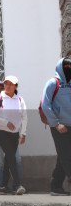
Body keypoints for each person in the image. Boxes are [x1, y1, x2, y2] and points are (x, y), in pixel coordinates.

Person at [0, 75, 27, 195]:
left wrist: (23, 133)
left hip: (14, 133)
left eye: (11, 84)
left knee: (8, 159)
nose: (7, 86)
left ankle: (3, 186)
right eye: (6, 83)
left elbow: (24, 117)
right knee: (12, 156)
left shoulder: (20, 99)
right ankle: (17, 184)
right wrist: (5, 122)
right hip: (1, 132)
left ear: (16, 86)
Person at [42, 57, 71, 196]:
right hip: (59, 126)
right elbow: (45, 106)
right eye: (67, 66)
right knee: (66, 155)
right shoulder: (53, 83)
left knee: (62, 156)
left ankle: (56, 186)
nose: (69, 68)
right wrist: (56, 123)